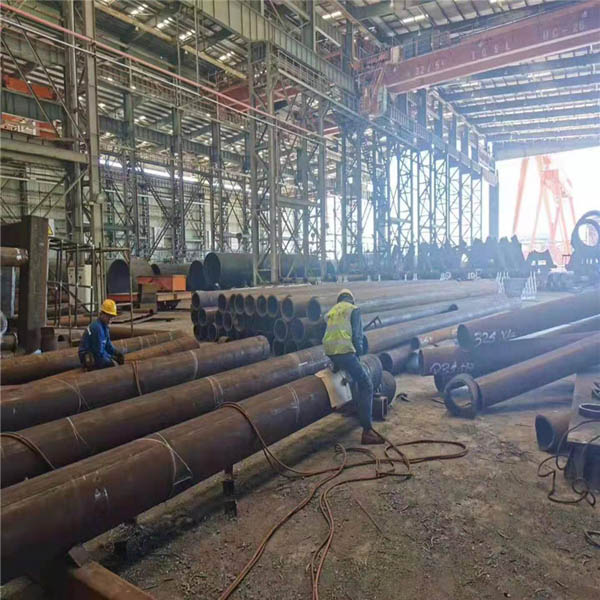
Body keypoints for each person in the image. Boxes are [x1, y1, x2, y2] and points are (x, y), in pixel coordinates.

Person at [322, 289, 382, 445]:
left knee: (351, 376)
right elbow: (357, 336)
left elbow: (331, 335)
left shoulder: (332, 312)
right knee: (366, 384)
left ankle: (354, 406)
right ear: (351, 299)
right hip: (345, 352)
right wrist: (359, 353)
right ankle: (367, 431)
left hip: (331, 353)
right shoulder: (353, 310)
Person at [78, 299, 124, 369]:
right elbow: (98, 353)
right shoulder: (97, 328)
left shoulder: (105, 327)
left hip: (97, 353)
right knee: (112, 365)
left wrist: (116, 353)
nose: (110, 319)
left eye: (112, 317)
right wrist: (111, 359)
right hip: (89, 357)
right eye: (109, 316)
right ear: (102, 314)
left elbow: (108, 345)